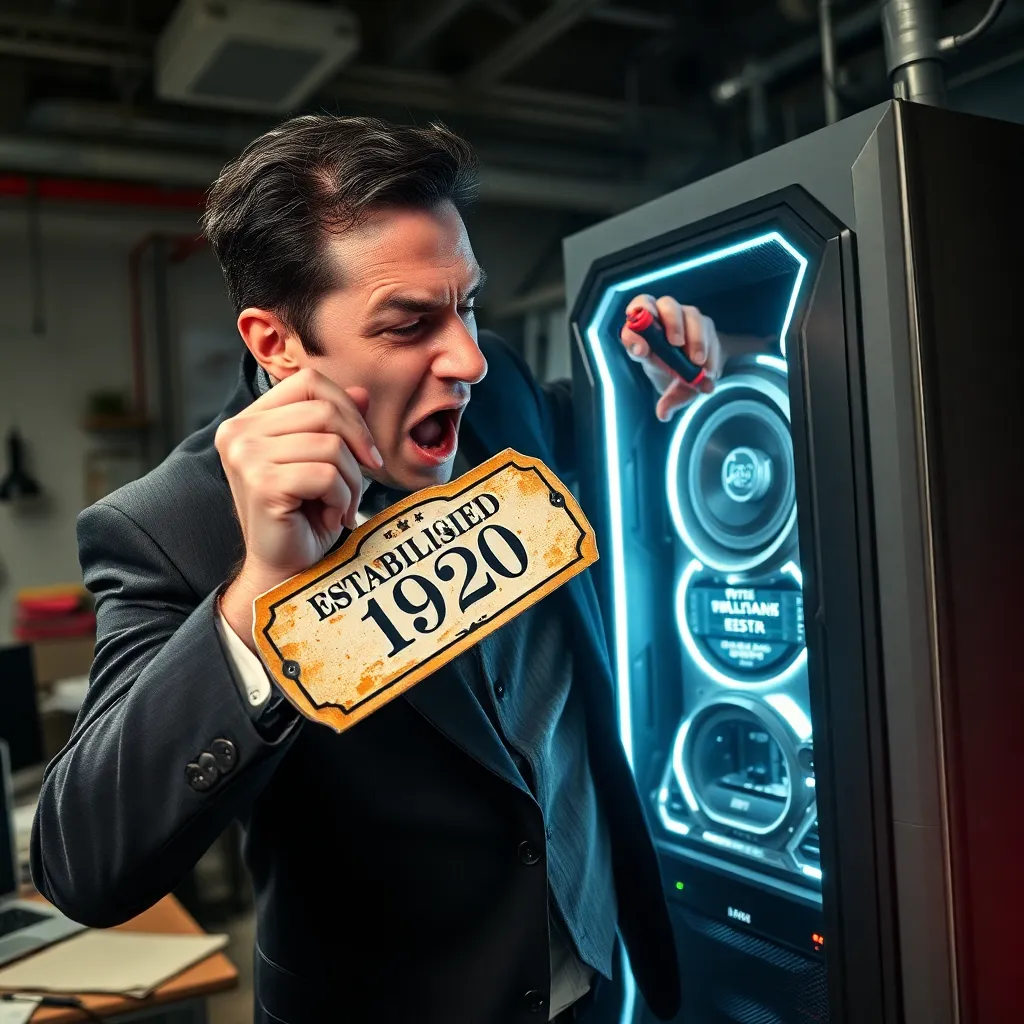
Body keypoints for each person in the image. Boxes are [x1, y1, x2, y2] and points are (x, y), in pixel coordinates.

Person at [30, 116, 723, 1024]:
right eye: (409, 325)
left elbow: (579, 425)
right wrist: (257, 602)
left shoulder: (493, 390)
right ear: (277, 344)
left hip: (597, 979)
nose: (466, 357)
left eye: (468, 305)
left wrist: (660, 364)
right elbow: (83, 864)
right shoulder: (171, 526)